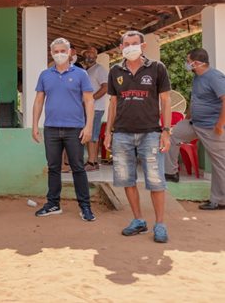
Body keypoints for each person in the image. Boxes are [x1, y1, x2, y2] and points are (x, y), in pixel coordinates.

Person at [104, 30, 172, 243]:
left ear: (143, 46)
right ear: (121, 48)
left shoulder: (157, 68)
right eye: (126, 44)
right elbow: (113, 103)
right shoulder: (115, 71)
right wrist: (108, 132)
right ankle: (138, 221)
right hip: (122, 133)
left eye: (134, 43)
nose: (130, 47)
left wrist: (166, 131)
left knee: (156, 181)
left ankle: (160, 224)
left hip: (151, 133)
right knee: (127, 179)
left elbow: (166, 101)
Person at [32, 38, 95, 221]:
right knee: (53, 167)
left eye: (62, 51)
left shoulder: (80, 74)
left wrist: (88, 126)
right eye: (55, 51)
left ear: (69, 53)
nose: (59, 54)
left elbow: (89, 100)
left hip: (74, 128)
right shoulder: (45, 75)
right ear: (51, 53)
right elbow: (38, 101)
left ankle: (85, 207)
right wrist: (35, 125)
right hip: (51, 128)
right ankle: (53, 204)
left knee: (77, 168)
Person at [165, 48, 225, 209]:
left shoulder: (214, 77)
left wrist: (220, 124)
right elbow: (196, 98)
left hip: (211, 126)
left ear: (197, 63)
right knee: (172, 135)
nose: (186, 63)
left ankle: (220, 201)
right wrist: (188, 116)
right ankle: (171, 172)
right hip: (194, 123)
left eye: (188, 60)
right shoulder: (197, 77)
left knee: (219, 163)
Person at [81, 46, 109, 170]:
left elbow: (105, 87)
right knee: (89, 134)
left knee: (92, 135)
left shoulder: (99, 69)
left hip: (96, 108)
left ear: (96, 56)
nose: (89, 56)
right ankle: (93, 162)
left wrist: (91, 99)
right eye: (87, 54)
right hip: (88, 108)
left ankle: (92, 162)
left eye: (92, 54)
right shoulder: (87, 70)